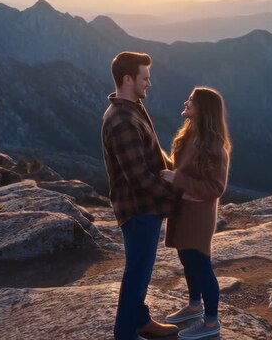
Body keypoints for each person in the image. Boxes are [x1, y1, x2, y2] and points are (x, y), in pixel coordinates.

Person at [101, 51, 182, 340]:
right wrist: (175, 195)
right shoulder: (122, 120)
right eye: (144, 78)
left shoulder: (132, 108)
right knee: (136, 272)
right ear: (127, 79)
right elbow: (137, 176)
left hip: (145, 206)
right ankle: (125, 334)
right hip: (138, 209)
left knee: (142, 271)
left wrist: (173, 170)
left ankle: (140, 320)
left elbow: (151, 153)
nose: (149, 83)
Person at [160, 87, 231, 340]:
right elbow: (181, 169)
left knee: (201, 264)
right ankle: (193, 306)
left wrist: (177, 179)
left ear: (203, 109)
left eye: (191, 100)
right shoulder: (188, 136)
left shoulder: (215, 147)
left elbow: (216, 188)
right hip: (182, 211)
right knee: (187, 260)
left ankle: (211, 321)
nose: (185, 102)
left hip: (198, 216)